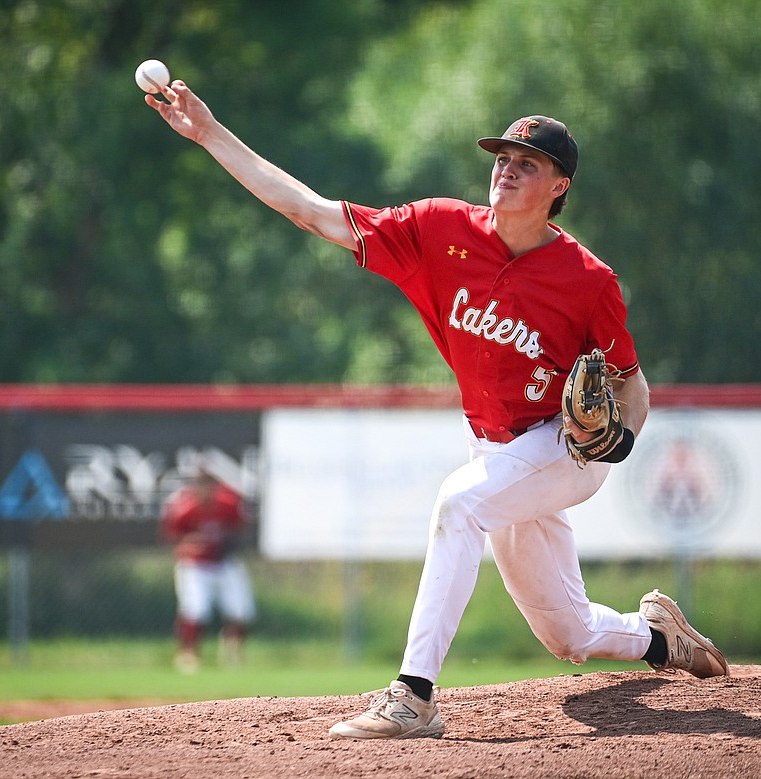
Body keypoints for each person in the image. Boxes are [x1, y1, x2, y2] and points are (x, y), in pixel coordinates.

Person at [146, 82, 729, 737]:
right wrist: (208, 132)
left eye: (526, 163)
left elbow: (632, 384)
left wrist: (616, 438)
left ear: (559, 187)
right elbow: (309, 211)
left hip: (564, 447)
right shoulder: (438, 231)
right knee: (565, 633)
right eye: (502, 158)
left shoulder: (588, 279)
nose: (506, 168)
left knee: (459, 503)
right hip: (495, 448)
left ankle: (414, 695)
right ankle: (658, 637)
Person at [160, 465, 255, 672]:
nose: (206, 490)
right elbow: (173, 539)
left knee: (241, 610)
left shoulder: (228, 505)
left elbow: (241, 530)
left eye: (210, 485)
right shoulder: (184, 508)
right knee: (195, 609)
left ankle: (233, 649)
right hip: (195, 566)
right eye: (202, 486)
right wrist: (190, 545)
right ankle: (188, 654)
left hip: (225, 563)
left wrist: (227, 543)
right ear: (195, 488)